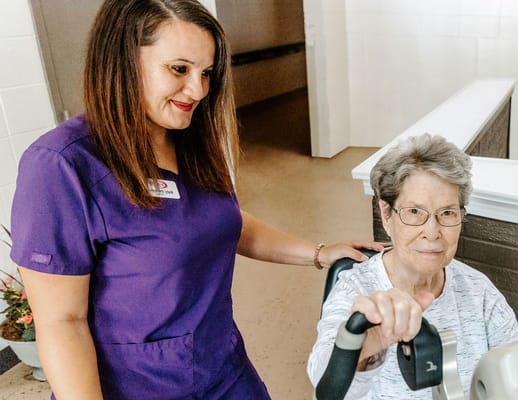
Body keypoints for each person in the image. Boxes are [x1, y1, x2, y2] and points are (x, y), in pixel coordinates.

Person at [9, 1, 382, 399]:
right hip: (135, 387)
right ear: (121, 61)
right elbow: (62, 322)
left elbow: (221, 221)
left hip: (222, 368)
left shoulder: (189, 142)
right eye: (179, 69)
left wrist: (318, 253)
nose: (198, 90)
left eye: (206, 73)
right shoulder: (61, 166)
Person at [307, 134, 518, 399]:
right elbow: (324, 387)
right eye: (414, 212)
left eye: (447, 213)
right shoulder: (355, 289)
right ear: (386, 215)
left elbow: (517, 377)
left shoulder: (479, 291)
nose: (432, 232)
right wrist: (363, 350)